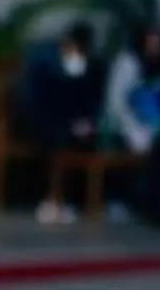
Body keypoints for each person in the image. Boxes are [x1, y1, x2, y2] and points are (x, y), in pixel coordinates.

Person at [20, 21, 103, 224]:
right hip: (40, 121)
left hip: (72, 124)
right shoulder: (43, 64)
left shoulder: (88, 66)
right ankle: (52, 199)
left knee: (91, 140)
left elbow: (88, 101)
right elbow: (34, 102)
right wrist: (66, 123)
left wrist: (85, 122)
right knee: (58, 141)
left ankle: (79, 201)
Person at [105, 21, 160, 219]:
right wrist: (135, 130)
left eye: (159, 39)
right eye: (151, 38)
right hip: (126, 125)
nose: (154, 44)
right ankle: (120, 200)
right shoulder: (128, 62)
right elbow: (116, 104)